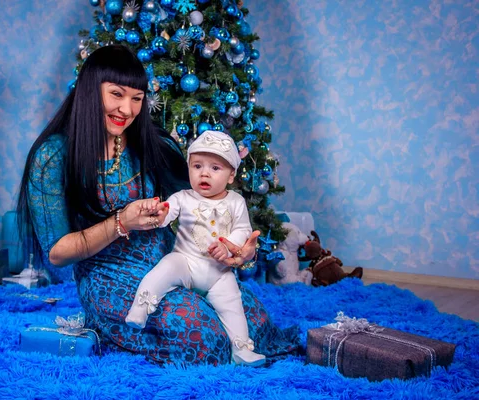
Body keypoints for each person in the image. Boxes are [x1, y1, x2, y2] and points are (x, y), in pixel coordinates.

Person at [16, 44, 300, 366]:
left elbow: (204, 205)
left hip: (178, 266)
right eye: (116, 95)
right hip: (109, 276)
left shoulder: (154, 144)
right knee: (203, 337)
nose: (127, 109)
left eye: (137, 99)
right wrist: (120, 222)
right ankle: (111, 324)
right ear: (88, 91)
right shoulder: (53, 157)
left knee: (254, 322)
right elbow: (57, 252)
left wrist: (238, 251)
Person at [125, 130, 265, 366]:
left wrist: (229, 248)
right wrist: (160, 214)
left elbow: (242, 230)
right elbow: (168, 212)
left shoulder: (235, 202)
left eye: (215, 168)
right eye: (197, 166)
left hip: (218, 273)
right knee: (166, 267)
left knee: (233, 302)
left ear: (231, 175)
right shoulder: (183, 197)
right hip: (186, 262)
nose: (204, 173)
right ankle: (142, 306)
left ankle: (241, 347)